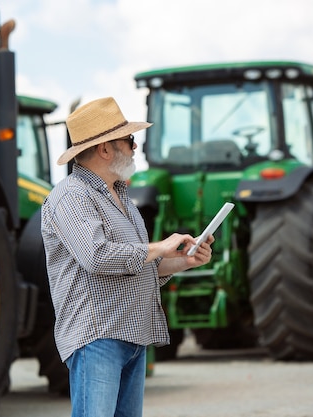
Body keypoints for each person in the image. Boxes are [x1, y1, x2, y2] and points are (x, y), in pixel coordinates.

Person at [40, 96, 214, 417]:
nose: (135, 148)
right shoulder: (70, 196)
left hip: (131, 337)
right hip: (98, 338)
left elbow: (140, 264)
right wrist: (160, 246)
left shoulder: (123, 199)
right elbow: (98, 256)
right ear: (105, 148)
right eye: (129, 140)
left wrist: (185, 260)